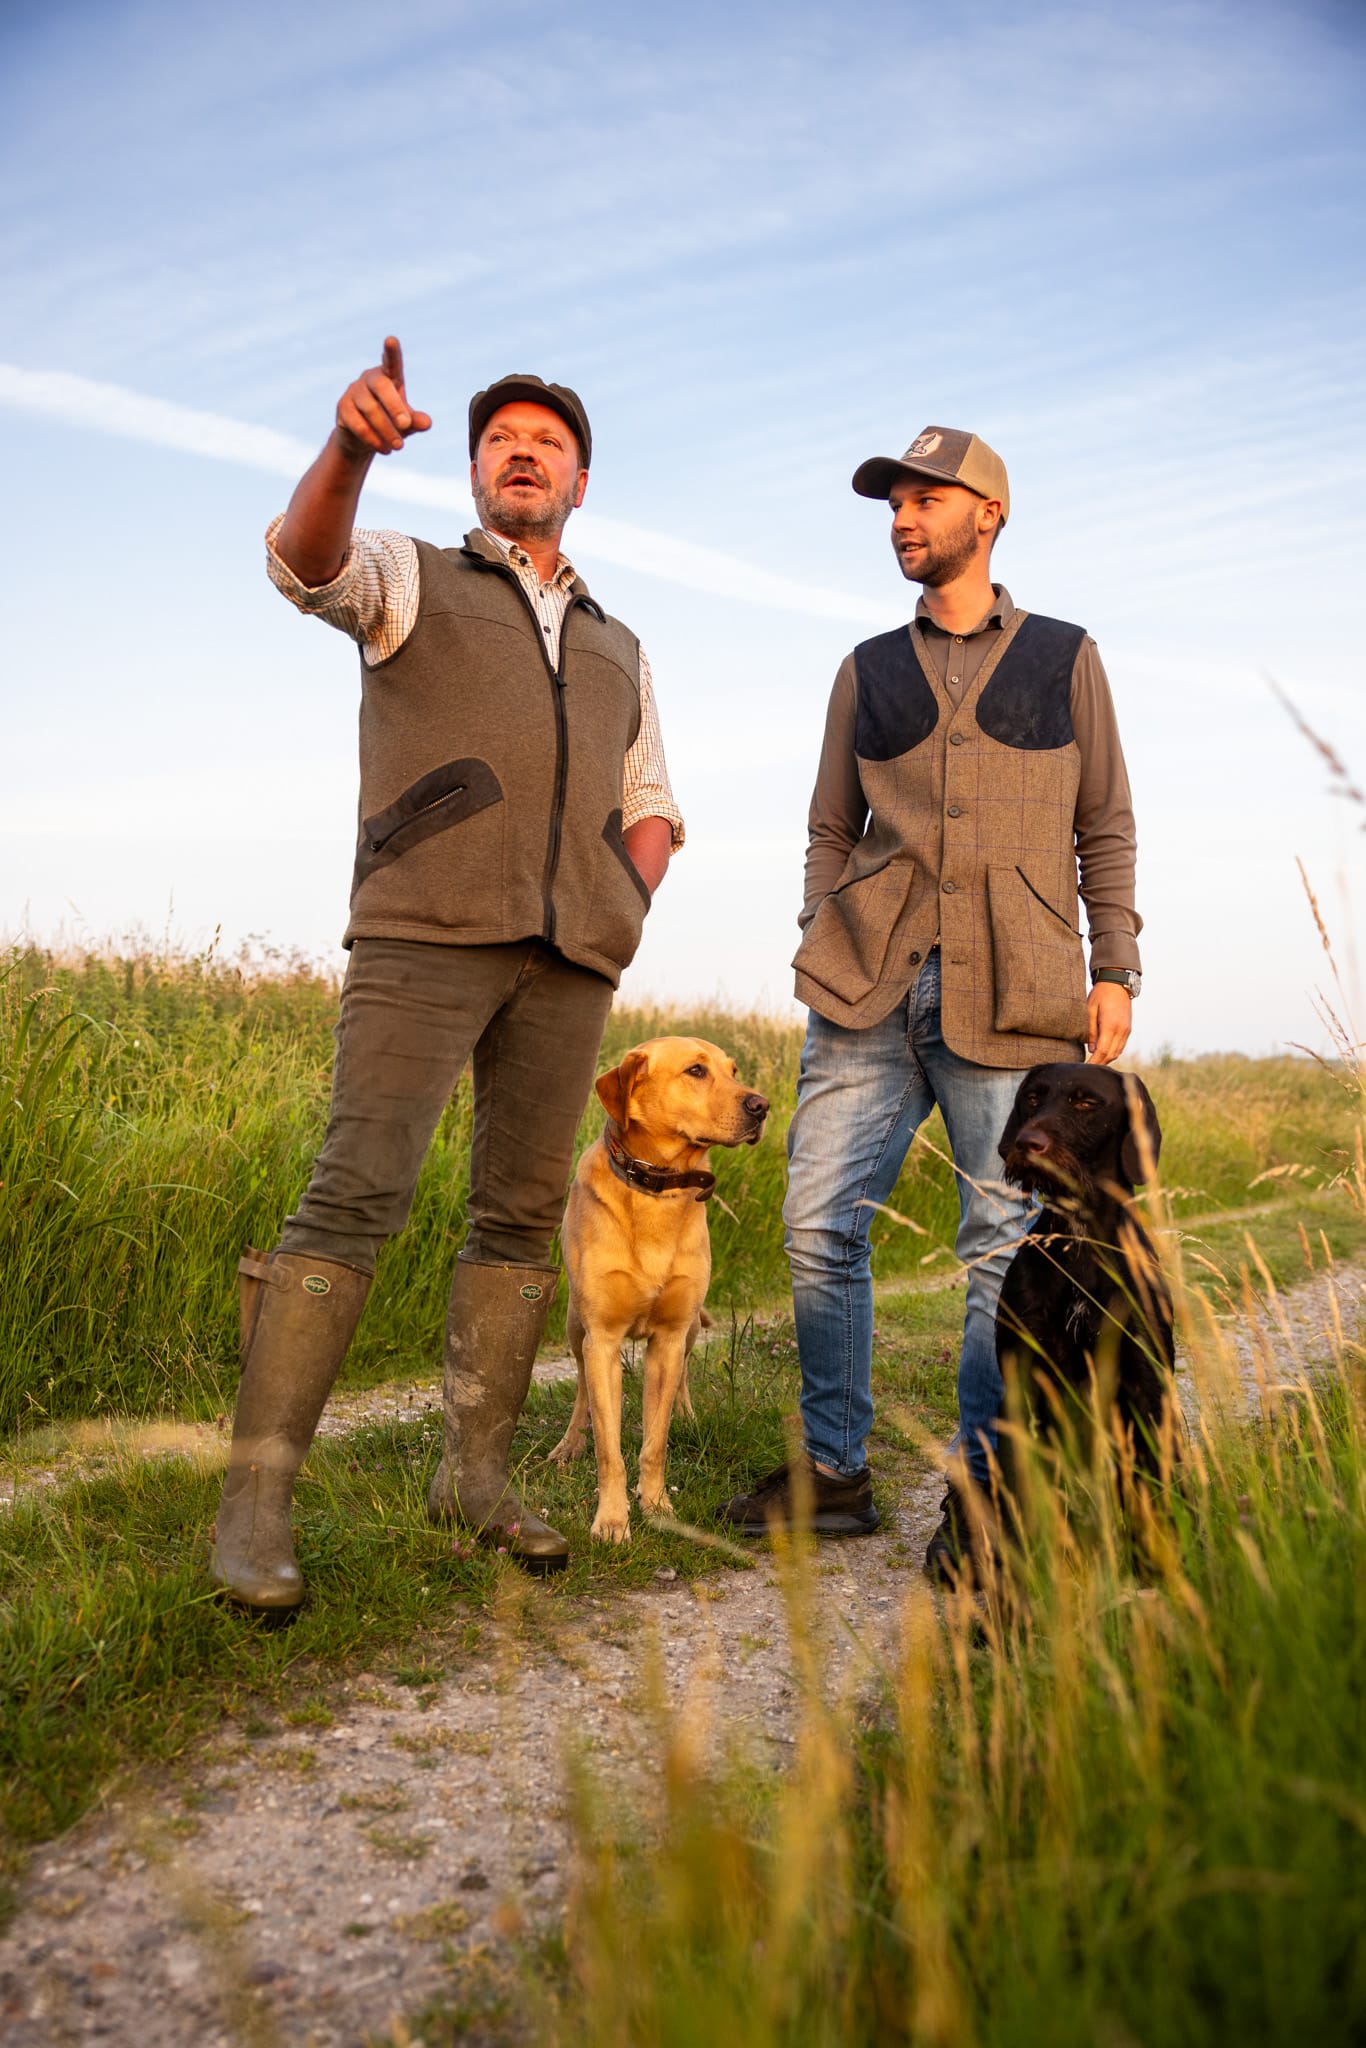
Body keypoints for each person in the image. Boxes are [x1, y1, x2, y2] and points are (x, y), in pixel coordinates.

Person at [210, 339, 683, 1608]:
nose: (522, 454)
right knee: (355, 1192)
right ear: (475, 470)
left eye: (547, 442)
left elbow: (653, 798)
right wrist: (351, 449)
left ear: (582, 478)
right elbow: (303, 562)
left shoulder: (619, 640)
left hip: (572, 957)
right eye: (499, 441)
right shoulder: (410, 573)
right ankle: (254, 1504)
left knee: (521, 1216)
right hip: (424, 927)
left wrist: (622, 899)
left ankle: (473, 1474)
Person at [720, 425, 1142, 1576]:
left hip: (1018, 994)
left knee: (1003, 1247)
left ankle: (986, 1495)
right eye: (891, 503)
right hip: (866, 986)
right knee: (817, 1227)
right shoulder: (866, 666)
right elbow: (826, 823)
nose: (902, 517)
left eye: (924, 498)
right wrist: (823, 925)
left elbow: (1101, 820)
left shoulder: (1065, 656)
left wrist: (1114, 968)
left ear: (988, 513)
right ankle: (835, 1473)